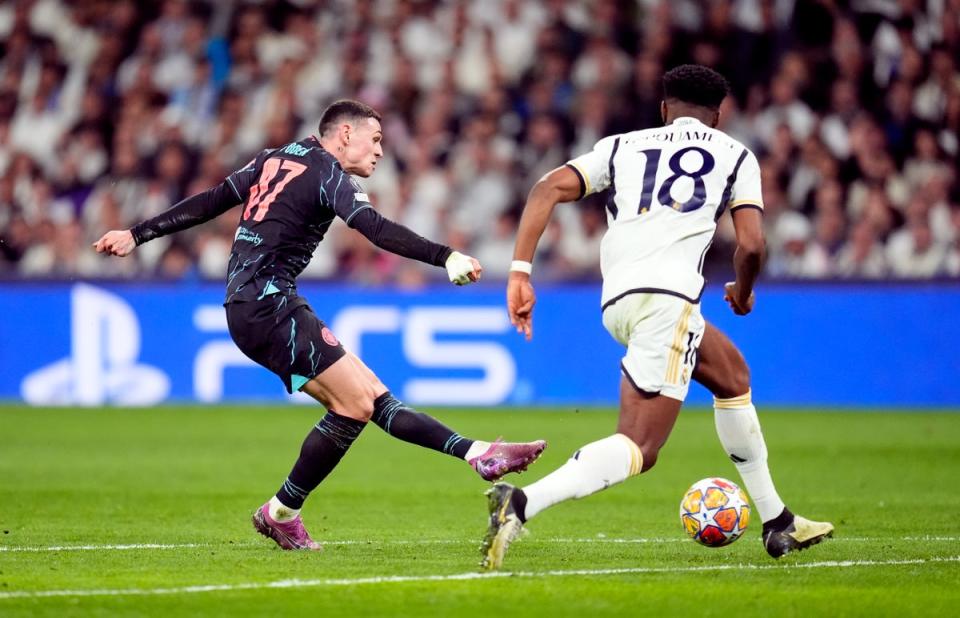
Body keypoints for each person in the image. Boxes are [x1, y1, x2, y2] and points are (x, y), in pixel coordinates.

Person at [94, 99, 546, 551]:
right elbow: (374, 227)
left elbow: (212, 200)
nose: (380, 151)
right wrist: (444, 256)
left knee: (370, 397)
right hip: (269, 307)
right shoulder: (330, 174)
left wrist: (137, 234)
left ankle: (477, 453)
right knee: (356, 406)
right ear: (345, 134)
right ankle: (281, 512)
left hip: (254, 304)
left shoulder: (274, 158)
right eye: (375, 139)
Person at [481, 66, 833, 570]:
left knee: (731, 376)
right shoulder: (735, 153)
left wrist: (519, 272)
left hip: (620, 297)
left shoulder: (622, 146)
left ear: (664, 108)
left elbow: (545, 189)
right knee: (641, 447)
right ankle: (520, 503)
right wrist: (745, 289)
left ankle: (778, 522)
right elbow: (752, 243)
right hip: (669, 300)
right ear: (718, 115)